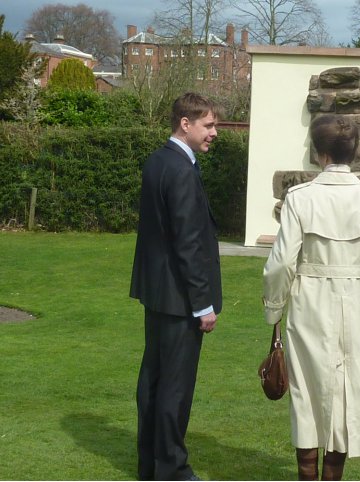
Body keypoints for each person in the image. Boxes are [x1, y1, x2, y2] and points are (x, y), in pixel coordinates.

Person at [262, 115, 360, 481]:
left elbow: (280, 265)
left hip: (309, 303)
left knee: (306, 396)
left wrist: (274, 311)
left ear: (318, 152)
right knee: (346, 395)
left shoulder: (300, 198)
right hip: (356, 304)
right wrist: (356, 272)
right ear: (353, 152)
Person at [130, 92, 223, 481]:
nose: (214, 133)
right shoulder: (181, 169)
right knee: (174, 387)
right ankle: (171, 469)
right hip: (180, 298)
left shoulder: (157, 161)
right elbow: (187, 242)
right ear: (185, 124)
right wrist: (202, 304)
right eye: (209, 125)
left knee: (153, 380)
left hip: (157, 293)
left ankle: (150, 465)